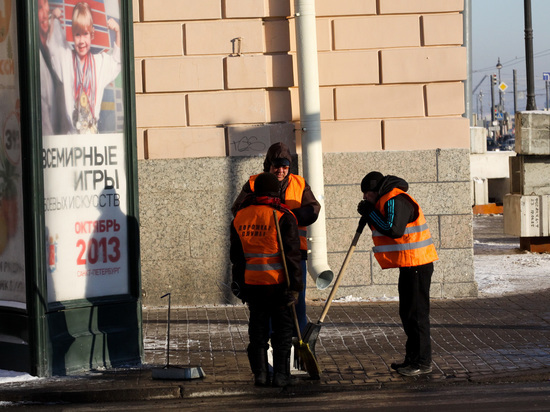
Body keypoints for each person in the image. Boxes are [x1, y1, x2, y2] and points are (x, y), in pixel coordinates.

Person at [232, 142, 320, 335]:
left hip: (295, 252)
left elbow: (313, 210)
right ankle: (273, 342)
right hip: (264, 253)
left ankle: (299, 342)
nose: (280, 171)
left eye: (284, 167)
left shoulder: (299, 184)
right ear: (268, 165)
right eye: (276, 166)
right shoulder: (255, 183)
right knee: (270, 306)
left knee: (296, 301)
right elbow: (237, 210)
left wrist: (288, 218)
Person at [357, 171, 438, 377]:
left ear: (376, 190)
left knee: (417, 315)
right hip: (409, 264)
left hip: (417, 264)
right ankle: (412, 359)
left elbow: (393, 229)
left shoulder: (395, 199)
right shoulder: (387, 200)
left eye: (367, 194)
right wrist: (370, 214)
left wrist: (370, 213)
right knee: (408, 314)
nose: (365, 197)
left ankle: (422, 362)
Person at [230, 172, 303, 387]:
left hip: (253, 284)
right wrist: (296, 287)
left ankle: (260, 375)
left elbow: (236, 256)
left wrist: (240, 286)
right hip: (279, 284)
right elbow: (292, 256)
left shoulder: (240, 216)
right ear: (276, 191)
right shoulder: (283, 216)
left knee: (258, 331)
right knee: (282, 332)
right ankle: (281, 376)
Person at [48, 2, 121, 134]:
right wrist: (53, 19)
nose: (81, 41)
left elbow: (117, 61)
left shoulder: (99, 63)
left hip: (92, 136)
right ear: (72, 35)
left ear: (92, 34)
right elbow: (52, 49)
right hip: (71, 137)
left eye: (85, 34)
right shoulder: (66, 60)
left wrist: (117, 32)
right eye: (77, 34)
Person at [38, 0, 68, 135]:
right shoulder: (31, 48)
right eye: (39, 8)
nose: (45, 14)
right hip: (49, 141)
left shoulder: (55, 28)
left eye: (46, 4)